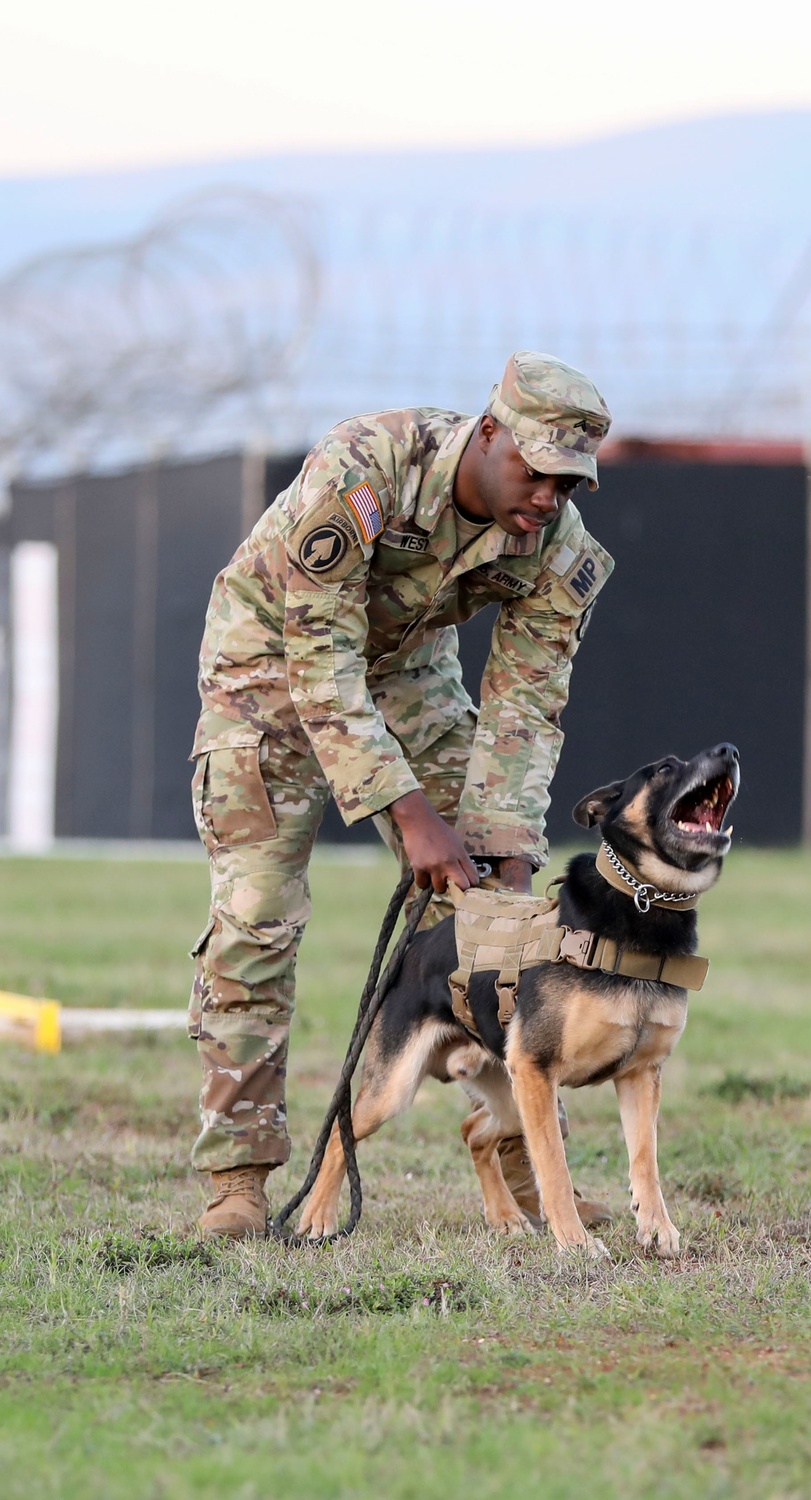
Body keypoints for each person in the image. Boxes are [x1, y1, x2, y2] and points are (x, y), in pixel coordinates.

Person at [189, 350, 615, 1238]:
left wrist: (502, 840)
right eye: (534, 471)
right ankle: (238, 1179)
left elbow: (527, 704)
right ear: (488, 433)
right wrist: (409, 812)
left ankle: (535, 1172)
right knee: (258, 915)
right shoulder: (365, 467)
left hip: (410, 682)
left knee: (500, 927)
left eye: (567, 484)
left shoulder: (557, 550)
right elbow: (320, 657)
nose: (546, 497)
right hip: (267, 669)